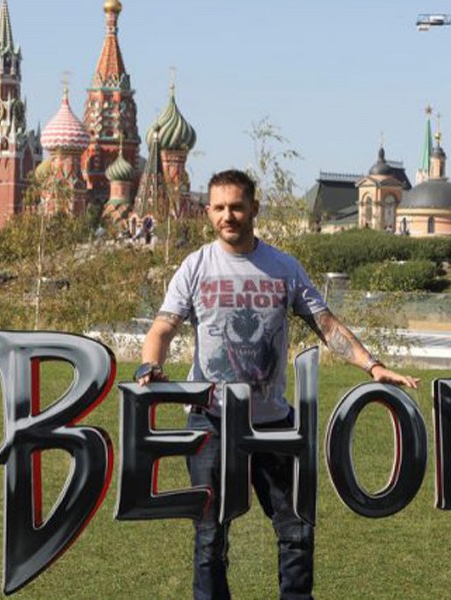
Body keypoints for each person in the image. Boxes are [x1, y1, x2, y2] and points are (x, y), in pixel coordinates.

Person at [136, 169, 419, 600]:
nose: (227, 216)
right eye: (218, 208)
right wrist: (149, 367)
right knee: (210, 538)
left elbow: (326, 325)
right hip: (210, 424)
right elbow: (161, 329)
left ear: (254, 208)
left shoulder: (283, 267)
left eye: (236, 206)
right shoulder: (195, 267)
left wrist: (372, 366)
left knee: (296, 531)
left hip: (274, 425)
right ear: (208, 211)